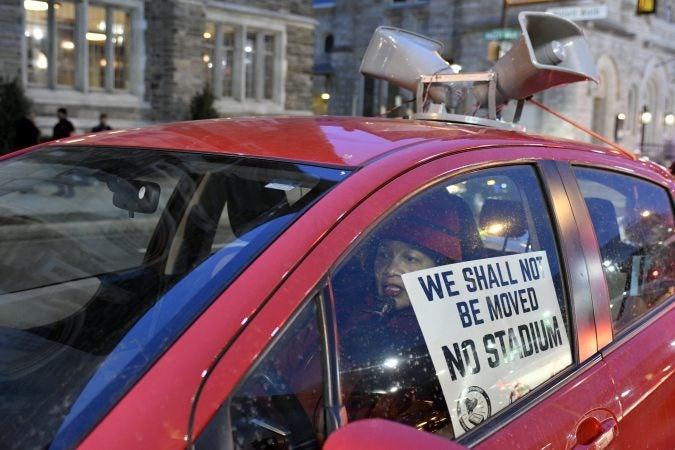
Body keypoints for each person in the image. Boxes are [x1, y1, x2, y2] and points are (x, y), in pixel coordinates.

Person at [335, 191, 473, 437]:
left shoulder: (457, 329)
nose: (390, 269)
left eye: (410, 259)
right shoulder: (347, 309)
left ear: (440, 270)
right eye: (384, 255)